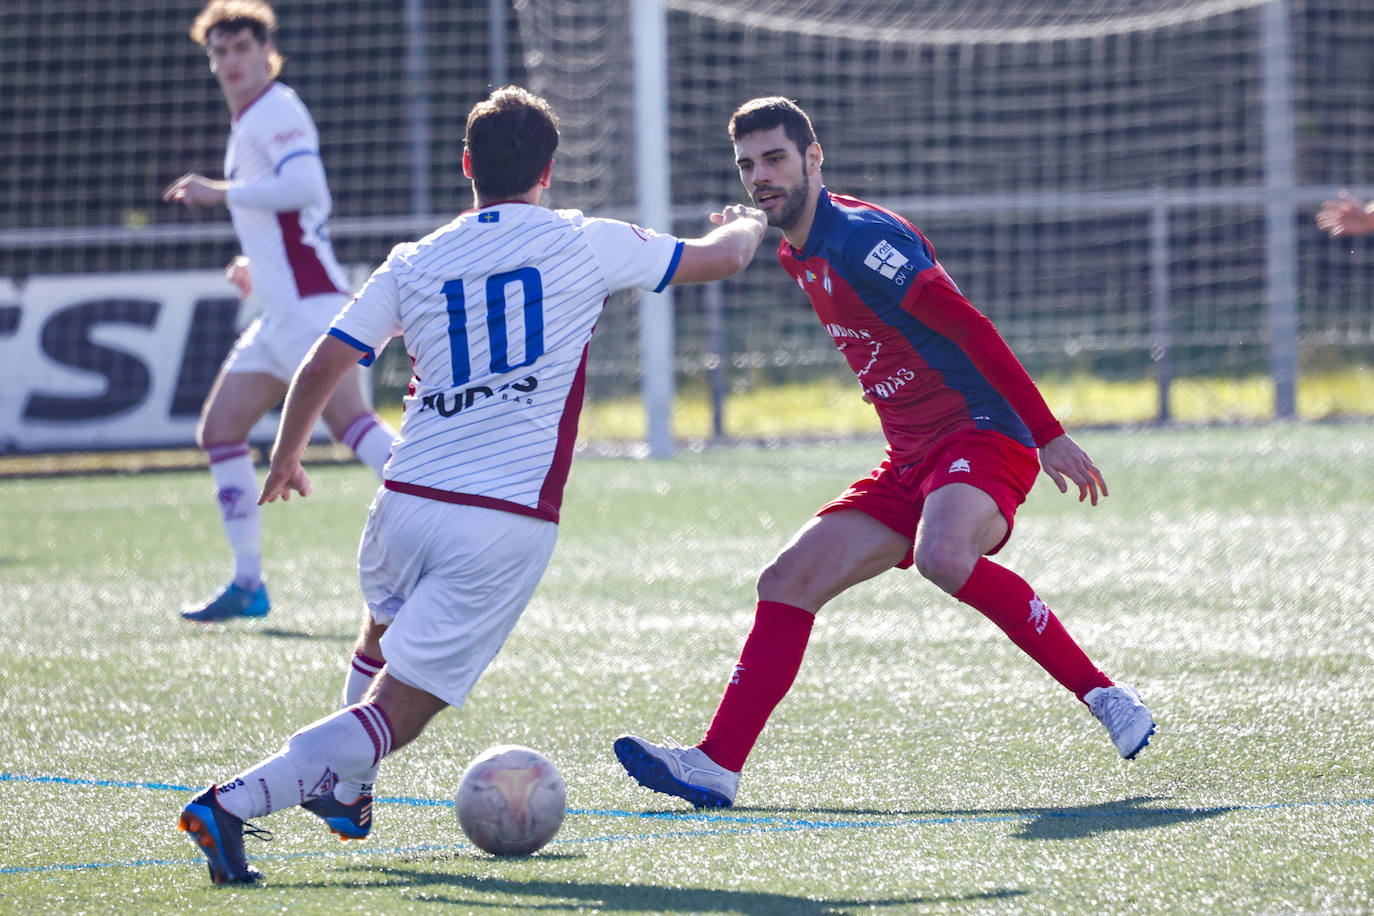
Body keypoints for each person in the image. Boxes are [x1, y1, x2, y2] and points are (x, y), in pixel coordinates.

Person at [175, 85, 768, 884]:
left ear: (466, 166)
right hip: (499, 517)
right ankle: (235, 802)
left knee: (380, 631)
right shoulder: (584, 241)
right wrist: (748, 220)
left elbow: (324, 360)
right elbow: (724, 259)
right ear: (549, 172)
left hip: (404, 499)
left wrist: (286, 454)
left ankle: (347, 789)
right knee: (399, 713)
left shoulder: (415, 257)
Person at [614, 97, 1156, 809]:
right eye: (747, 165)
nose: (759, 176)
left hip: (983, 431)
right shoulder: (793, 248)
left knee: (943, 556)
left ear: (814, 158)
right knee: (785, 580)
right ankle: (717, 765)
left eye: (774, 158)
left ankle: (1105, 695)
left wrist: (1047, 432)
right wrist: (741, 223)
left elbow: (972, 329)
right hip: (910, 461)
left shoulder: (862, 241)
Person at [163, 0, 397, 622]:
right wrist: (252, 261)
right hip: (282, 312)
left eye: (242, 48)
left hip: (311, 307)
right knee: (220, 430)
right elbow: (288, 220)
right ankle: (247, 585)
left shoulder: (276, 109)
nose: (231, 60)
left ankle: (453, 510)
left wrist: (220, 192)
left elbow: (307, 190)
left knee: (353, 427)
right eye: (220, 51)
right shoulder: (250, 122)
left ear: (268, 54)